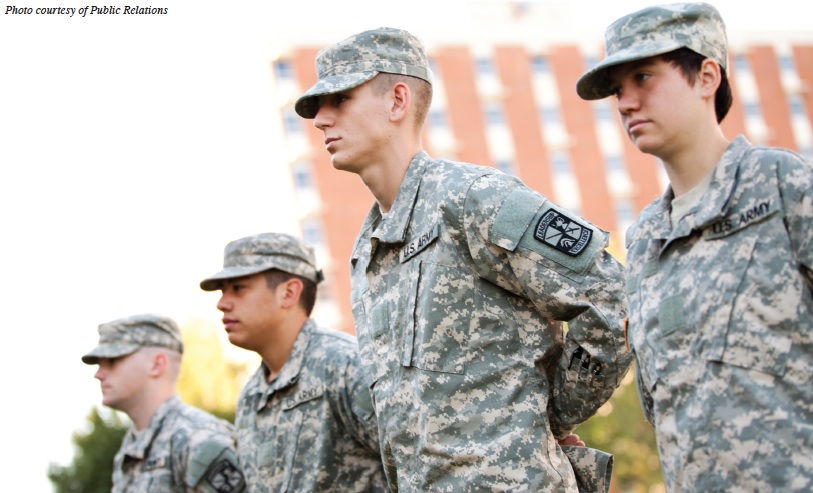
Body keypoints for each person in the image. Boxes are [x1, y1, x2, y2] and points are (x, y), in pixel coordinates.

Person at [294, 27, 632, 492]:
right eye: (317, 106)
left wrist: (551, 416)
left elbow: (611, 297)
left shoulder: (473, 199)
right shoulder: (366, 250)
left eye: (340, 99)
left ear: (397, 100)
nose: (320, 119)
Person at [576, 3, 813, 491]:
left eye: (643, 77)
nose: (625, 103)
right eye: (618, 89)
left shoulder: (781, 185)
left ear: (707, 77)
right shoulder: (644, 240)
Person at [199, 232, 388, 492]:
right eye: (222, 291)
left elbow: (418, 469)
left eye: (238, 288)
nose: (222, 303)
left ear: (289, 293)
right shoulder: (251, 397)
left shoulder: (345, 365)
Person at [82, 313, 246, 493]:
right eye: (99, 364)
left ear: (157, 364)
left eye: (112, 361)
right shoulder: (132, 446)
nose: (99, 374)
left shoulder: (198, 439)